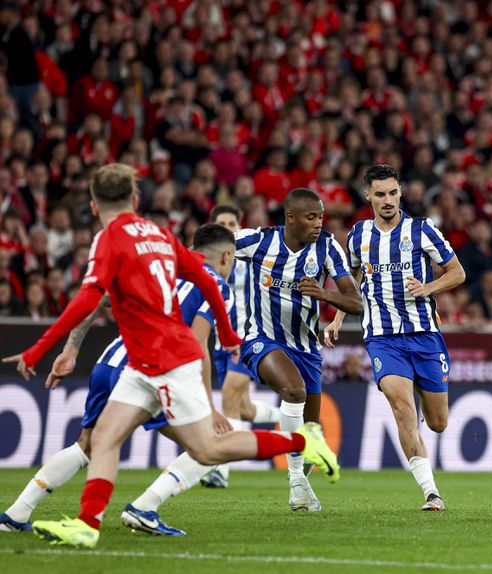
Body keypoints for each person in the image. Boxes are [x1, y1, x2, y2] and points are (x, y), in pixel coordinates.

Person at [2, 164, 339, 548]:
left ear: (94, 207)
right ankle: (87, 524)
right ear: (135, 198)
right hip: (143, 362)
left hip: (161, 361)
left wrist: (45, 349)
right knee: (105, 439)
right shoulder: (159, 236)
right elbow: (208, 284)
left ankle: (300, 442)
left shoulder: (110, 240)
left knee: (204, 448)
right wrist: (229, 336)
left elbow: (91, 299)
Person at [1, 223, 238, 535]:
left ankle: (15, 514)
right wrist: (208, 404)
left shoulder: (161, 269)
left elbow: (99, 297)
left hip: (109, 362)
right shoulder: (217, 286)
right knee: (213, 445)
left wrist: (71, 348)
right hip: (150, 370)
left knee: (86, 446)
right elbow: (198, 345)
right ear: (226, 256)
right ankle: (145, 508)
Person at [324, 164, 466, 511]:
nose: (387, 200)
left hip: (424, 334)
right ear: (368, 196)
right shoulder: (358, 235)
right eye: (380, 194)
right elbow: (351, 280)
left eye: (392, 193)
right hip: (382, 338)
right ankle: (431, 493)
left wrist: (428, 288)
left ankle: (422, 401)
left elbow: (457, 272)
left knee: (438, 423)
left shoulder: (422, 230)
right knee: (403, 409)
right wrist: (339, 317)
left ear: (400, 192)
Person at [234, 188, 363, 512]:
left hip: (307, 349)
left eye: (321, 217)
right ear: (290, 218)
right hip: (262, 339)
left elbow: (357, 302)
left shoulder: (327, 247)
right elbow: (205, 251)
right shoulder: (258, 241)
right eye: (311, 217)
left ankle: (300, 480)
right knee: (294, 390)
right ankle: (295, 484)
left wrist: (324, 294)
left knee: (310, 437)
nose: (318, 223)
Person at [198, 204, 282, 489]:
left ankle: (220, 471)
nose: (228, 229)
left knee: (230, 394)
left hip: (247, 339)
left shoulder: (250, 257)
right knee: (242, 409)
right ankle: (294, 419)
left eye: (232, 223)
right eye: (222, 224)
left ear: (239, 225)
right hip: (220, 342)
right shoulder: (208, 264)